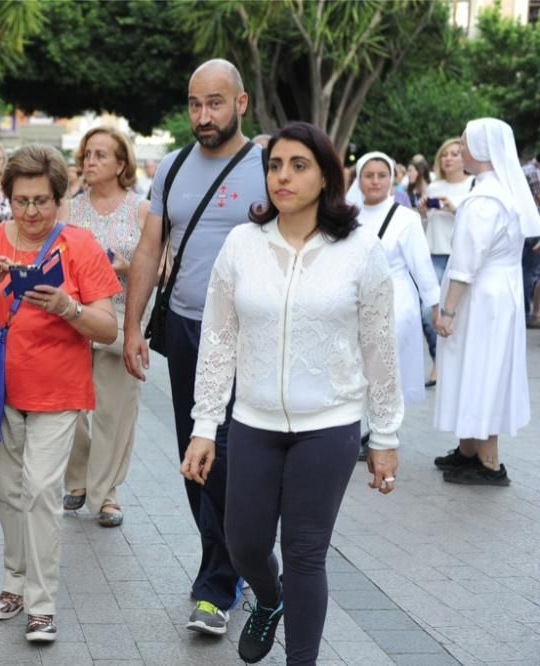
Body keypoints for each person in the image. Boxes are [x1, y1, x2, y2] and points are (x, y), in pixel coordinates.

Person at [184, 122, 403, 664]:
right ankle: (268, 598)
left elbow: (379, 344)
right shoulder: (242, 243)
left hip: (328, 424)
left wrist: (386, 433)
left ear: (326, 175)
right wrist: (204, 426)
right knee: (246, 546)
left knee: (307, 554)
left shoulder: (360, 250)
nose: (283, 176)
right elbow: (218, 339)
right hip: (254, 421)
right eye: (275, 165)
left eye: (298, 165)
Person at [0, 144, 119, 643]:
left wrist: (66, 307)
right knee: (8, 492)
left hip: (60, 390)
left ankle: (41, 602)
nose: (31, 212)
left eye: (42, 201)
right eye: (21, 200)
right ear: (6, 197)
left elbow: (107, 327)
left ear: (60, 199)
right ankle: (13, 580)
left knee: (39, 491)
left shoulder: (78, 245)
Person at [122, 59, 267, 637]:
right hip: (185, 329)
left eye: (214, 103)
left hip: (250, 335)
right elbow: (148, 248)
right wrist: (132, 327)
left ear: (241, 102)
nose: (202, 116)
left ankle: (218, 581)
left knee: (225, 453)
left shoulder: (270, 165)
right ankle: (232, 565)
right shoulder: (173, 167)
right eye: (193, 104)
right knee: (194, 457)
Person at [433, 118, 539, 486]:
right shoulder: (504, 191)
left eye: (464, 144)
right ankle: (468, 451)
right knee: (481, 368)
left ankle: (488, 462)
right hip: (499, 294)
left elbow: (464, 266)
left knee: (480, 371)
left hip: (480, 299)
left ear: (480, 149)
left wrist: (447, 311)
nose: (459, 150)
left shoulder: (483, 201)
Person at [61, 126, 148, 528]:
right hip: (75, 320)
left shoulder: (140, 209)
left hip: (119, 320)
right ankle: (77, 480)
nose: (90, 162)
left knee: (114, 413)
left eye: (99, 155)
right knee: (71, 410)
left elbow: (160, 268)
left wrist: (127, 267)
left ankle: (106, 493)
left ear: (120, 163)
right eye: (87, 155)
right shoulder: (70, 209)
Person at [355, 151, 439, 459]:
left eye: (381, 175)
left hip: (396, 301)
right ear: (359, 179)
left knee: (389, 366)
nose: (375, 181)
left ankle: (384, 432)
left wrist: (434, 304)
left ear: (391, 178)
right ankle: (363, 428)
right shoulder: (348, 215)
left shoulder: (406, 218)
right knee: (358, 367)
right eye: (369, 175)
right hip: (358, 302)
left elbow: (421, 265)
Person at [419, 138, 473, 387]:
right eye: (444, 155)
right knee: (428, 312)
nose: (448, 158)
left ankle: (453, 365)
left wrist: (455, 209)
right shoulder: (433, 186)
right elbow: (423, 226)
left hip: (459, 258)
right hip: (433, 253)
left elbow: (475, 226)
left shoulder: (473, 186)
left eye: (454, 154)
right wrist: (422, 212)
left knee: (456, 314)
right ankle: (438, 363)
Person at [519, 153, 540, 327]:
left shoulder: (523, 169)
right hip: (535, 223)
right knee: (531, 272)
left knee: (523, 269)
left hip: (522, 223)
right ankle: (526, 314)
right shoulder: (534, 172)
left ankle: (524, 312)